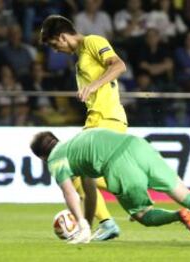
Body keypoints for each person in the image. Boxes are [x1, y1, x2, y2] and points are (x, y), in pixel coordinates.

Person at [30, 128, 190, 245]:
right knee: (184, 193)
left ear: (42, 157)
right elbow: (89, 193)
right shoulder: (77, 145)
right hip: (138, 145)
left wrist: (82, 227)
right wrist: (86, 223)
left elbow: (70, 192)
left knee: (142, 214)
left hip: (118, 164)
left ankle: (179, 216)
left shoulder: (55, 159)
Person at [40, 14, 128, 241]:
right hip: (96, 121)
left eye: (54, 45)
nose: (56, 50)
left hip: (108, 120)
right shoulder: (80, 59)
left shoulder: (93, 42)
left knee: (71, 169)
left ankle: (111, 214)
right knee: (79, 173)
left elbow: (119, 65)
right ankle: (117, 209)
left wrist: (94, 85)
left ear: (62, 37)